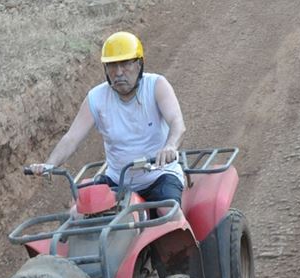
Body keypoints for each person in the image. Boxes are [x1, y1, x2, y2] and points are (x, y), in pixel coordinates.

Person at [29, 31, 186, 213]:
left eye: (125, 64)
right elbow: (71, 138)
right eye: (112, 65)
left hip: (160, 176)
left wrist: (170, 146)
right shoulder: (96, 97)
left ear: (139, 64)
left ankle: (184, 233)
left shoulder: (156, 85)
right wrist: (50, 164)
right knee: (76, 215)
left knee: (168, 212)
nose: (118, 73)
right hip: (117, 181)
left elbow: (177, 123)